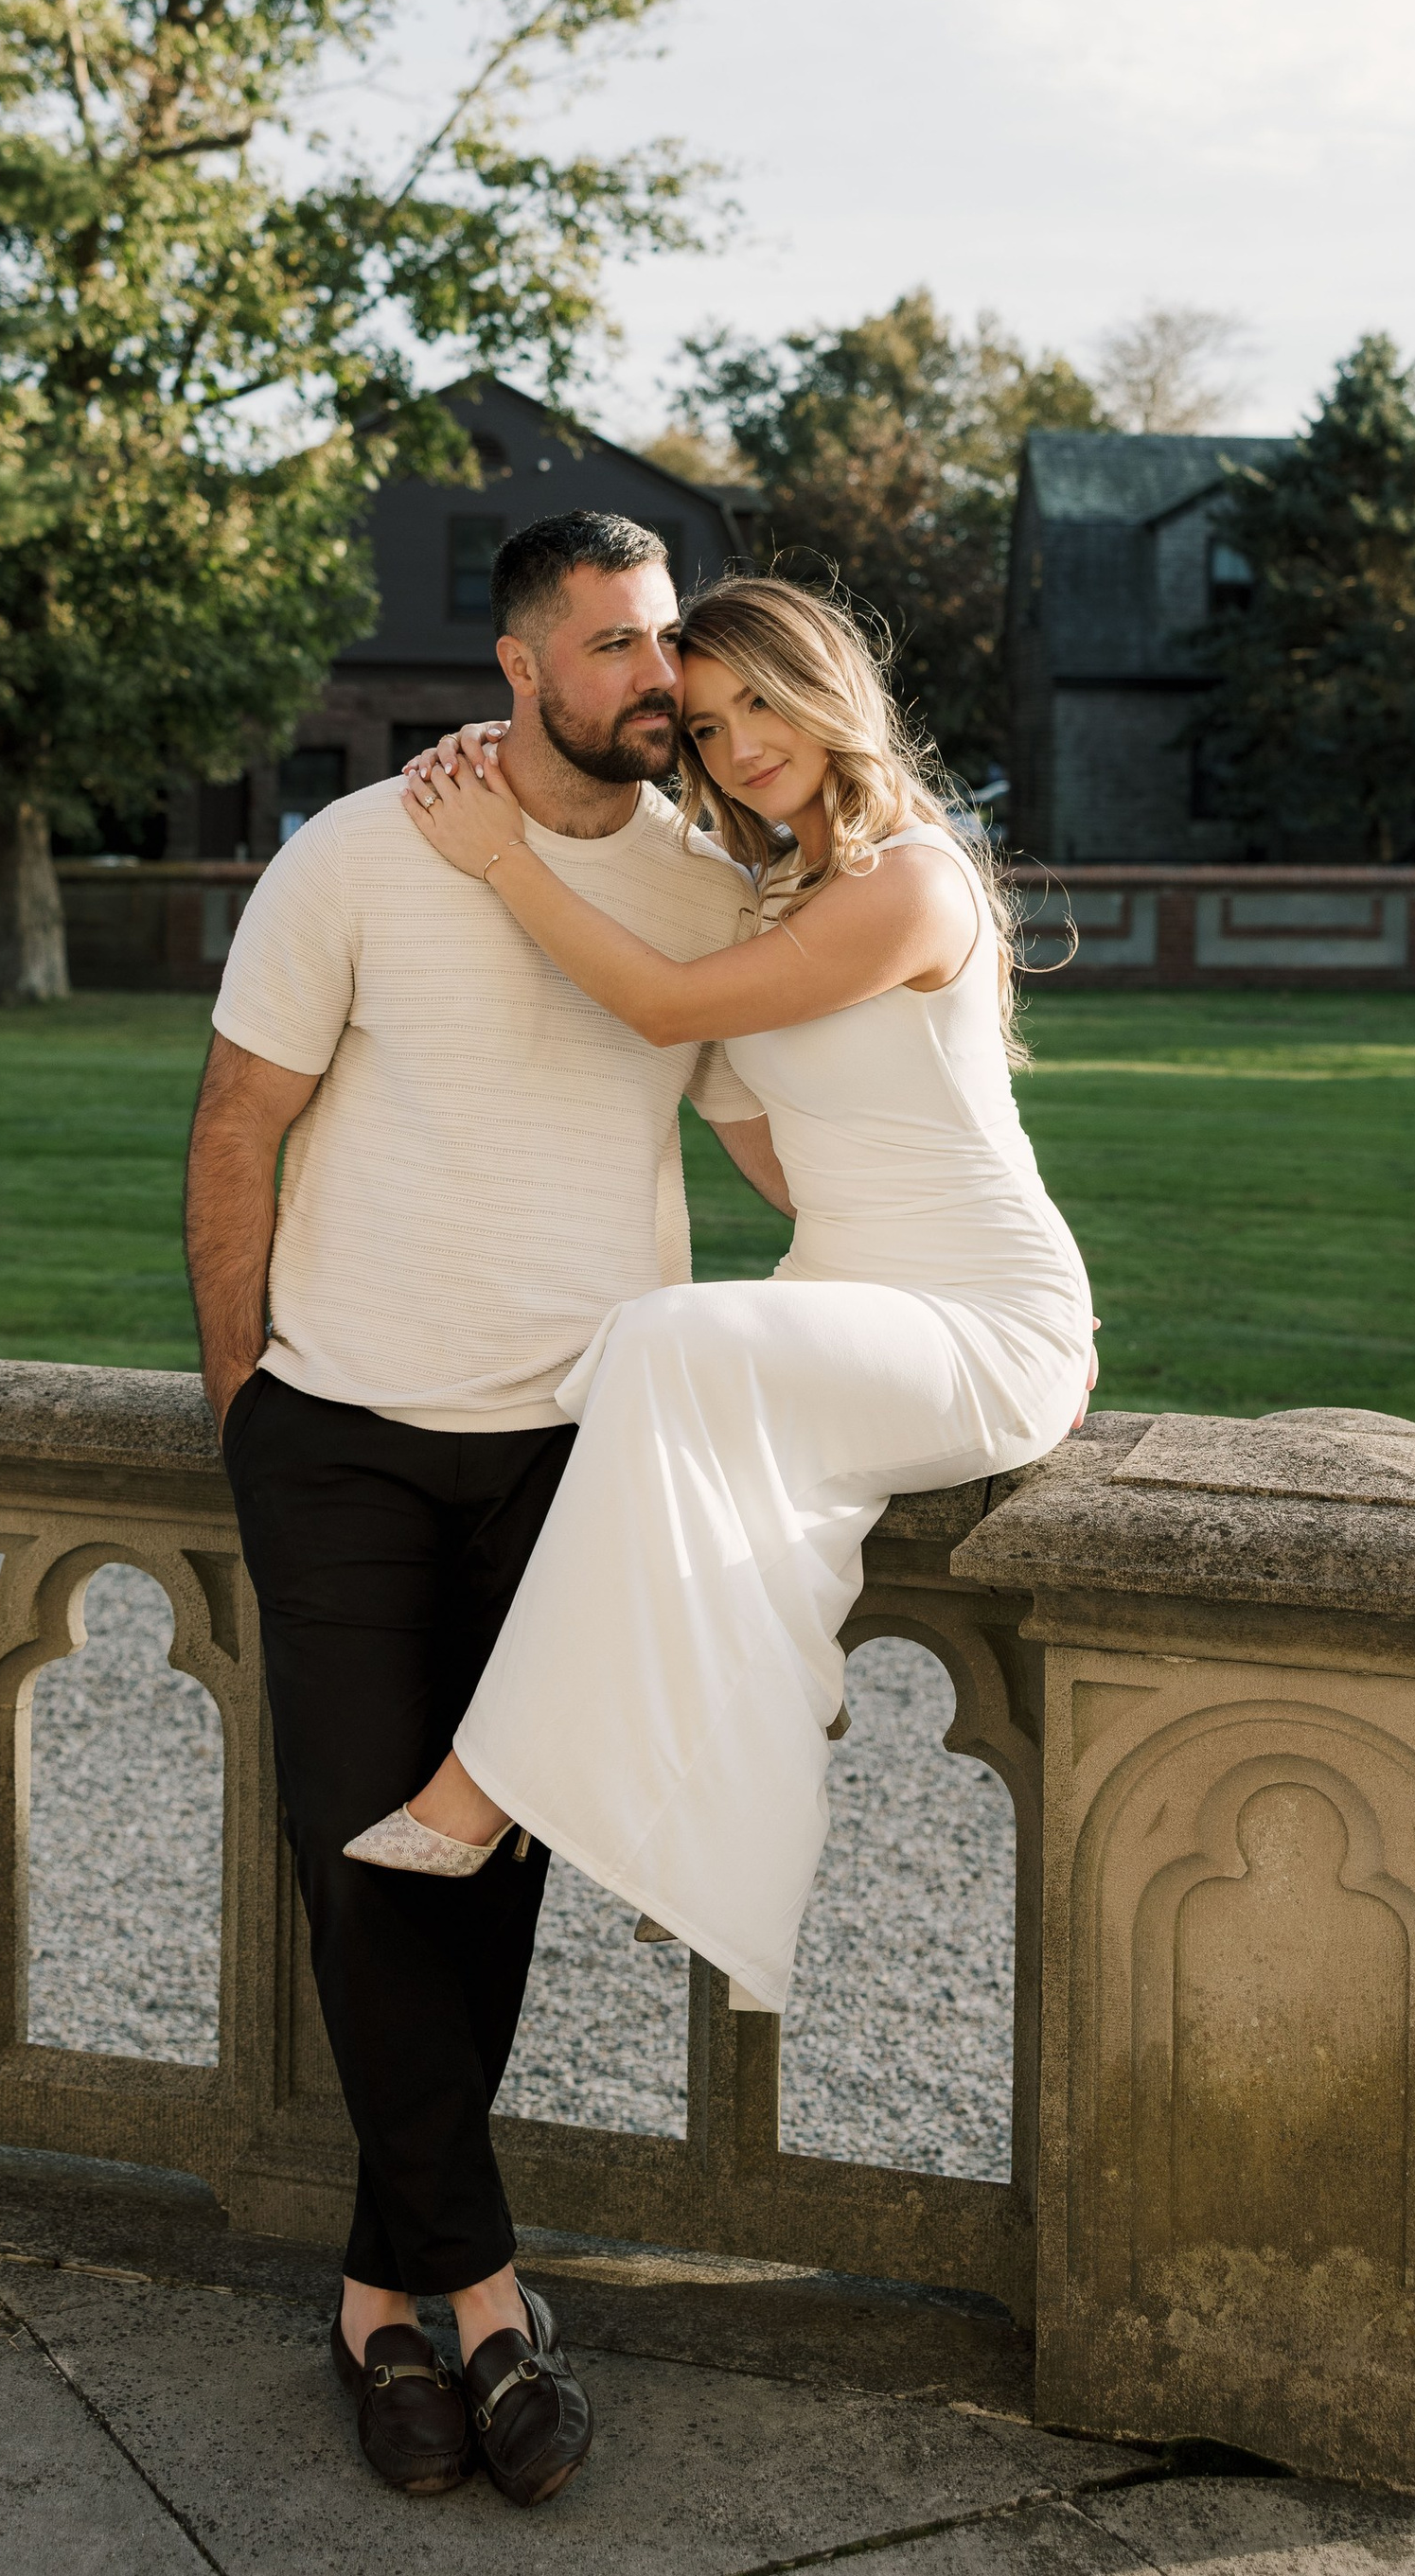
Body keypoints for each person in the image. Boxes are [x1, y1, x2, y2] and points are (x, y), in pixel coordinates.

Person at [184, 507, 785, 2508]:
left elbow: (780, 1142)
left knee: (487, 1878)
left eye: (665, 640)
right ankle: (496, 2305)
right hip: (339, 1432)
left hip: (576, 1452)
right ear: (514, 665)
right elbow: (237, 1124)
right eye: (615, 642)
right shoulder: (354, 854)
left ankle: (377, 2303)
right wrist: (244, 1407)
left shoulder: (704, 890)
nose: (657, 675)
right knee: (365, 1858)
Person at [345, 573, 1095, 2022]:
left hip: (988, 1320)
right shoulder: (783, 893)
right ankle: (652, 1806)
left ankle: (484, 1783)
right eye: (705, 722)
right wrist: (484, 765)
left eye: (763, 699)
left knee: (664, 1338)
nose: (741, 743)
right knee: (661, 1373)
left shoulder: (915, 878)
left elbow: (668, 1007)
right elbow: (778, 1151)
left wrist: (503, 858)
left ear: (830, 693)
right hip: (859, 1299)